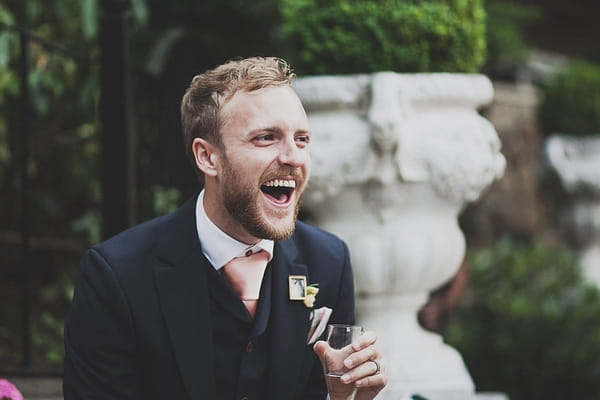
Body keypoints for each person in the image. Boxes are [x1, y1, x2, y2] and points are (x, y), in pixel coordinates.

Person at [63, 56, 387, 400]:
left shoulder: (328, 260)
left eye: (302, 139)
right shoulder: (116, 275)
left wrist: (344, 398)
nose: (293, 157)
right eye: (266, 138)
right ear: (207, 157)